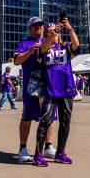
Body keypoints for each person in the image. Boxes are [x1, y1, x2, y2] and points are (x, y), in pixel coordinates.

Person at [33, 19, 80, 166]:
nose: (52, 33)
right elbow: (45, 45)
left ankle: (60, 153)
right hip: (49, 90)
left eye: (54, 31)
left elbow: (77, 47)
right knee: (45, 121)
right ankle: (38, 155)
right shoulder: (43, 47)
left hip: (66, 90)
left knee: (65, 123)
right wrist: (53, 34)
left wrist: (70, 29)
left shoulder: (66, 47)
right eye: (49, 32)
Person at [14, 17, 57, 163]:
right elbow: (17, 60)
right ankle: (22, 148)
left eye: (40, 25)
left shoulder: (50, 39)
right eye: (35, 25)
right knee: (27, 116)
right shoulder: (24, 43)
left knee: (51, 115)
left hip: (48, 83)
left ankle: (48, 147)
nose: (39, 27)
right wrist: (30, 52)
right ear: (30, 28)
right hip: (32, 83)